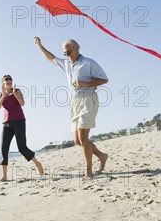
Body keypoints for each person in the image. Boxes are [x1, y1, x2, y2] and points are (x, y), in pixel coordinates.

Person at [34, 38, 109, 179]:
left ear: (76, 48)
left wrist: (86, 83)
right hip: (74, 102)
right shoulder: (67, 63)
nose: (66, 55)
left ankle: (89, 172)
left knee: (83, 136)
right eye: (64, 53)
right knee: (77, 140)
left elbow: (104, 79)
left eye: (68, 52)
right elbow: (51, 58)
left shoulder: (89, 63)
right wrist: (40, 46)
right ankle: (102, 156)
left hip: (88, 98)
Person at [0, 74, 44, 182]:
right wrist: (3, 95)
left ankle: (37, 163)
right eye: (7, 83)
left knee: (22, 147)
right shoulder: (1, 94)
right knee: (3, 148)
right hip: (6, 123)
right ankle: (4, 176)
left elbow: (22, 103)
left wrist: (15, 95)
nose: (9, 85)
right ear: (3, 84)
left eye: (10, 83)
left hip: (19, 122)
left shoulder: (17, 91)